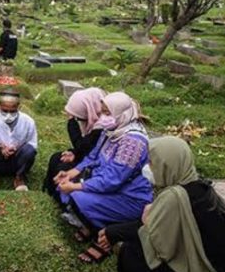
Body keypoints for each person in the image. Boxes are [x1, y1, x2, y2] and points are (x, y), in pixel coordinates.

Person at [103, 136, 225, 272]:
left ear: (168, 165)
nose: (148, 167)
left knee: (131, 253)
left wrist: (115, 232)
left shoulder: (174, 196)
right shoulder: (200, 187)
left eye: (152, 163)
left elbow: (157, 241)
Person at [55, 92, 153, 262]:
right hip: (108, 186)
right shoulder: (112, 130)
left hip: (129, 196)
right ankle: (96, 225)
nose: (102, 117)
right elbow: (93, 156)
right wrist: (72, 172)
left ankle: (104, 237)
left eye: (107, 113)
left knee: (76, 196)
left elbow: (112, 180)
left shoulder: (133, 142)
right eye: (101, 112)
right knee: (65, 185)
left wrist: (74, 186)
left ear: (121, 113)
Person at [42, 88, 109, 199]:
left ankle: (60, 198)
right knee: (56, 157)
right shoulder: (95, 121)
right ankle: (49, 191)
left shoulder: (104, 126)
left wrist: (71, 123)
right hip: (88, 157)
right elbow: (87, 147)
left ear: (90, 110)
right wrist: (74, 153)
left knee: (63, 167)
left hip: (96, 166)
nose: (79, 121)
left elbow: (83, 146)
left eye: (78, 118)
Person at [0, 89, 38, 192]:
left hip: (17, 160)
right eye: (5, 111)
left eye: (13, 111)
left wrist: (16, 147)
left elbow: (32, 143)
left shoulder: (28, 122)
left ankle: (19, 177)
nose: (8, 115)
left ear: (19, 107)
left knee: (30, 150)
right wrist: (0, 147)